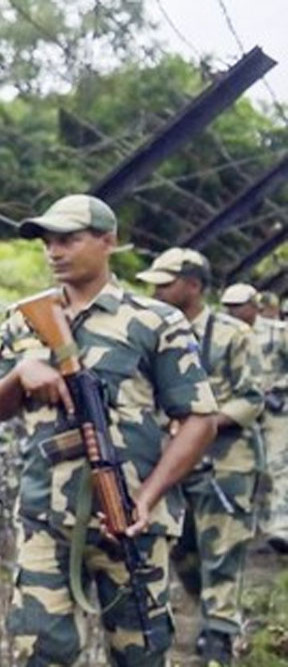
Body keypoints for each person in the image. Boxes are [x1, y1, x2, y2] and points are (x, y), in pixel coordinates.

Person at [0, 195, 217, 666]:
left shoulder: (154, 321)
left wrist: (148, 498)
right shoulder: (25, 319)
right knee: (39, 653)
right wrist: (22, 370)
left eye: (68, 239)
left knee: (140, 653)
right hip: (44, 516)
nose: (54, 251)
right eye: (48, 242)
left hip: (129, 521)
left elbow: (199, 417)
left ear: (107, 242)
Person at [135, 249, 263, 665]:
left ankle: (220, 632)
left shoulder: (232, 335)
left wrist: (204, 423)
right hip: (170, 460)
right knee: (183, 548)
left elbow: (251, 396)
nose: (156, 290)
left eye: (165, 282)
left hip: (227, 458)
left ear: (192, 285)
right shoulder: (150, 333)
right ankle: (208, 609)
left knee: (224, 545)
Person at [222, 284, 288, 554]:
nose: (233, 311)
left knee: (279, 464)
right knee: (242, 465)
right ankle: (247, 526)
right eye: (229, 306)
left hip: (275, 407)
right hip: (237, 408)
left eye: (238, 306)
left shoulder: (277, 333)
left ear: (254, 305)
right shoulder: (223, 333)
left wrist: (278, 387)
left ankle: (280, 526)